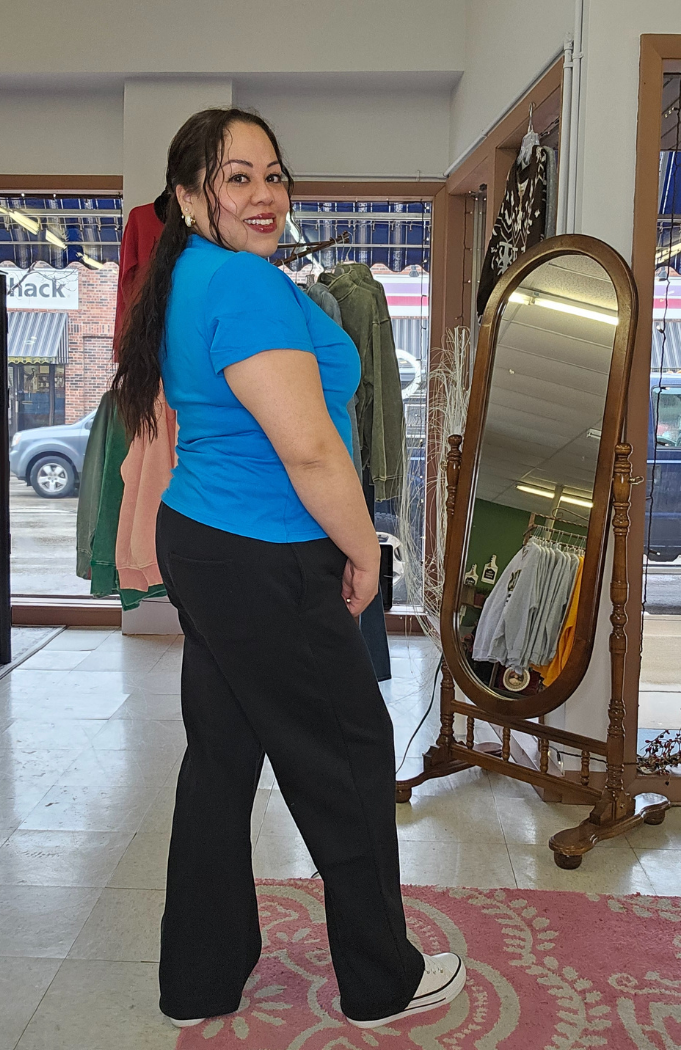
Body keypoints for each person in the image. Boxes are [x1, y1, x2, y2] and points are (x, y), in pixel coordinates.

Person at [112, 107, 466, 1030]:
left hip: (211, 540)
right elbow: (309, 449)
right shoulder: (243, 283)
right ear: (191, 197)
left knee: (224, 756)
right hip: (265, 550)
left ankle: (199, 978)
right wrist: (365, 550)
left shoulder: (192, 273)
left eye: (273, 174)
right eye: (237, 177)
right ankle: (381, 978)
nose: (264, 194)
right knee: (346, 754)